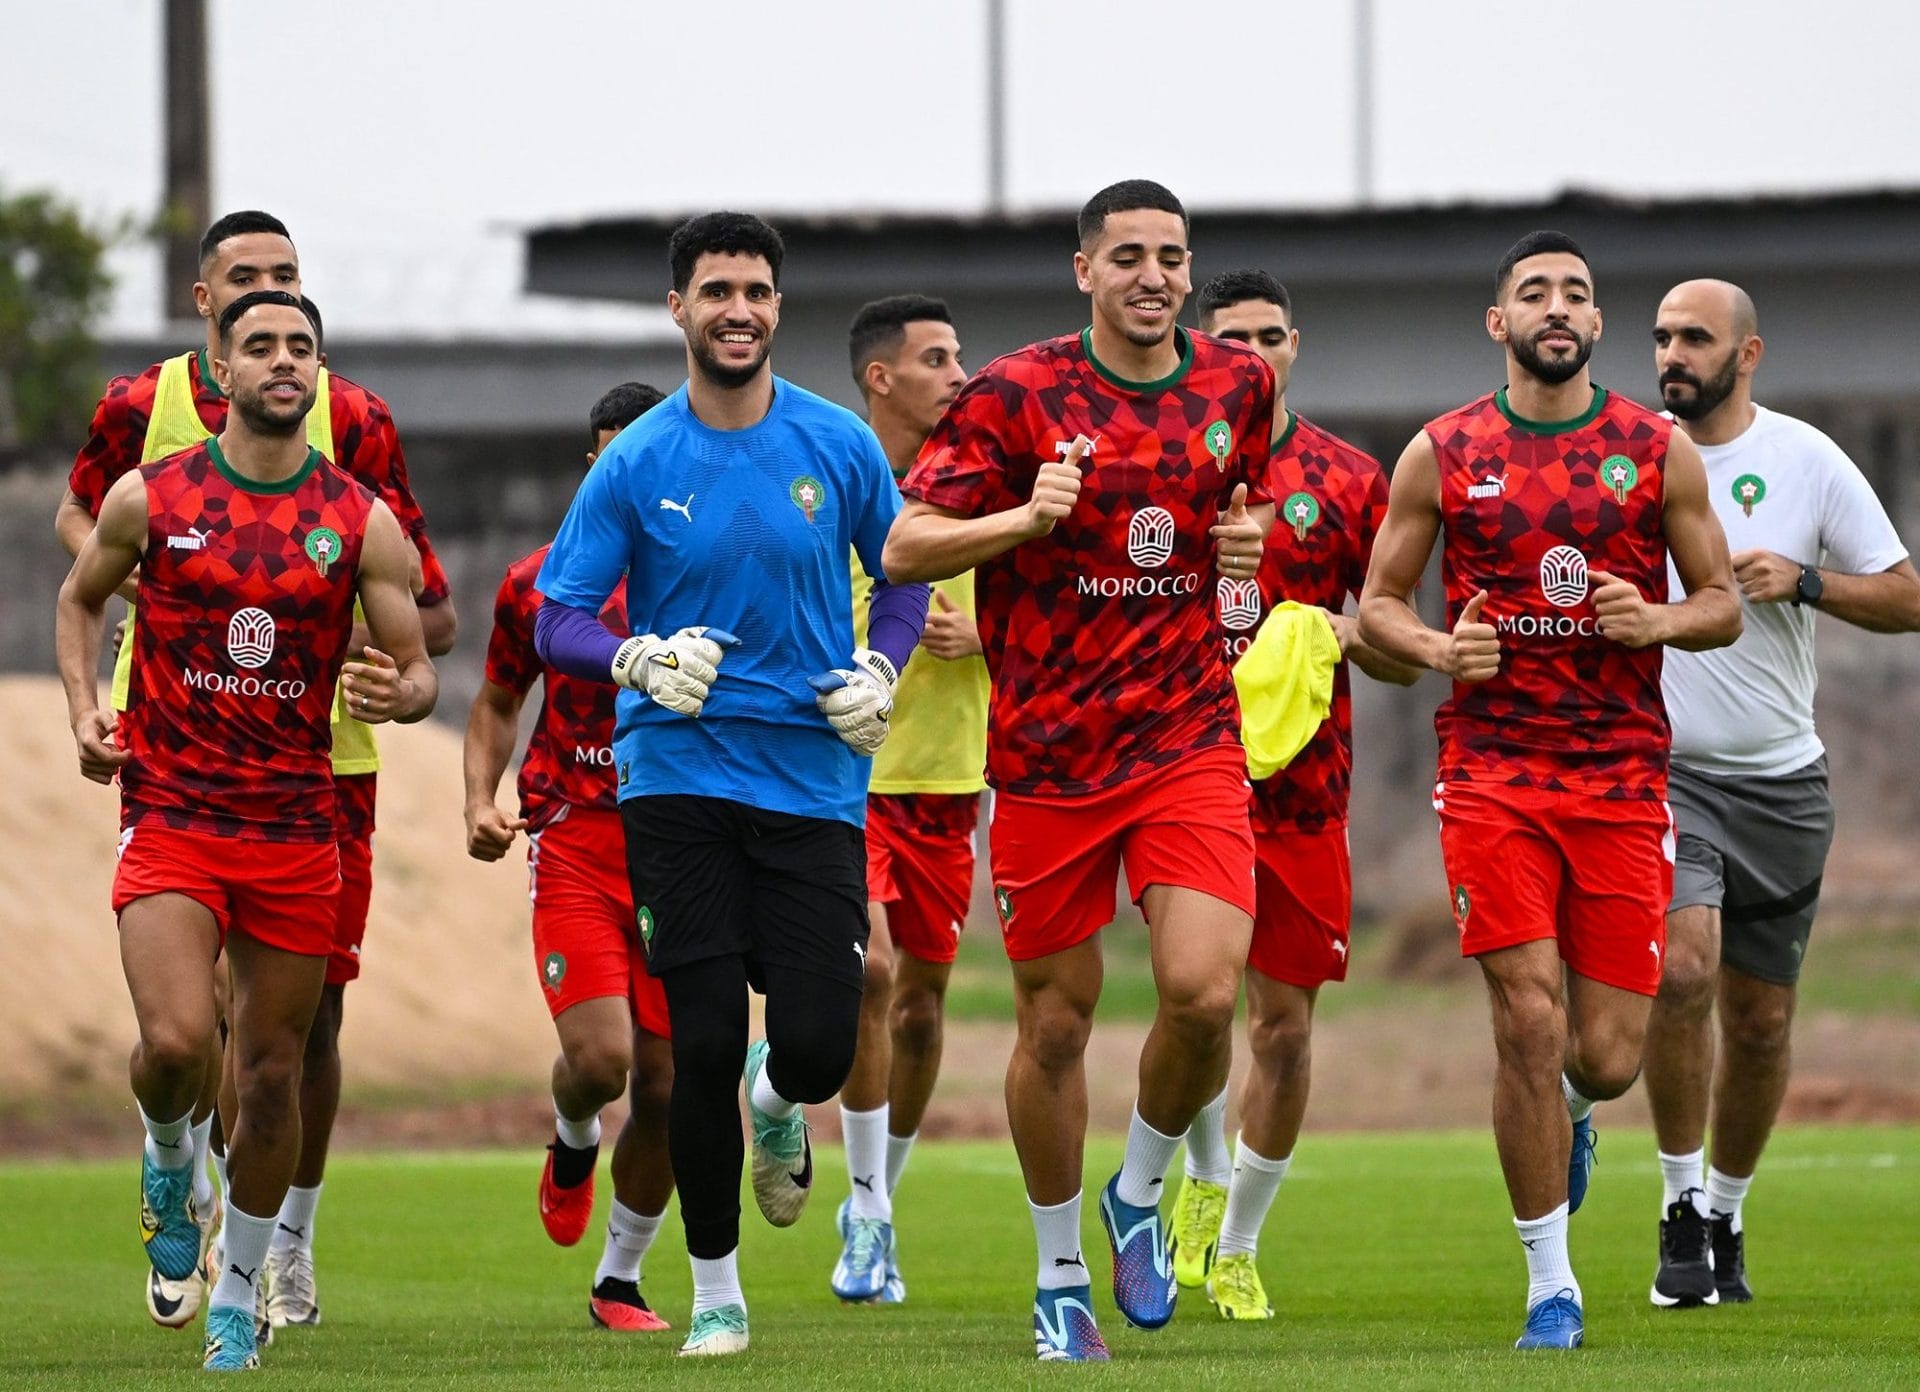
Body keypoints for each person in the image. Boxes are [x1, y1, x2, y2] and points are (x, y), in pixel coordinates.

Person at [884, 180, 1275, 1362]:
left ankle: (1140, 1196)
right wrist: (1019, 522)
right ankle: (1060, 1277)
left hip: (1187, 738)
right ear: (1083, 271)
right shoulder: (1016, 394)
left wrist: (1245, 571)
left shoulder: (1238, 385)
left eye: (1170, 256)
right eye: (1127, 257)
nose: (1152, 276)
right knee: (1056, 1025)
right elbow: (903, 544)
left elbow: (1237, 560)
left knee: (1207, 995)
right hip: (1049, 759)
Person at [531, 212, 929, 1357]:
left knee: (811, 1043)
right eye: (716, 290)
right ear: (679, 310)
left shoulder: (841, 444)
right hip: (678, 778)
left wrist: (880, 666)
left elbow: (896, 574)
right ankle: (716, 1292)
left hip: (813, 782)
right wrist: (633, 658)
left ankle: (775, 1102)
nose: (737, 309)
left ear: (777, 307)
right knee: (694, 1042)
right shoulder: (638, 460)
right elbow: (561, 611)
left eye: (755, 289)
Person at [55, 210, 456, 1332]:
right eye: (255, 315)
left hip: (310, 794)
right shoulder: (145, 442)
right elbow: (79, 557)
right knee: (183, 1039)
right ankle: (170, 1151)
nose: (282, 353)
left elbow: (428, 629)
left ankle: (270, 1263)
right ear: (212, 338)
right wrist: (99, 700)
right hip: (176, 783)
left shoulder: (358, 469)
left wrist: (401, 685)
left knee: (291, 1049)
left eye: (298, 324)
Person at [1357, 231, 1741, 1350]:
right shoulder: (1443, 449)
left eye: (1576, 292)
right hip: (1492, 775)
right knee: (1527, 1018)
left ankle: (1577, 1115)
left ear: (1598, 324)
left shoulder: (1655, 448)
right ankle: (1550, 1287)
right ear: (1500, 322)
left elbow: (1720, 599)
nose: (1557, 307)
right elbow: (1378, 602)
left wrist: (1657, 619)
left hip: (1622, 778)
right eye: (1535, 292)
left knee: (1606, 1055)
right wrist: (1436, 650)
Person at [1641, 280, 1920, 1308]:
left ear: (1747, 353)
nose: (1674, 352)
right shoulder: (1632, 458)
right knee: (1682, 970)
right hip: (1666, 775)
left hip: (1784, 785)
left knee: (1759, 1021)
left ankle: (1725, 1210)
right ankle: (1675, 1201)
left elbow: (1906, 596)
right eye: (1664, 336)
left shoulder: (1805, 459)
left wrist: (1803, 581)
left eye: (1696, 338)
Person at [1169, 270, 1421, 1320]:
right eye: (1236, 338)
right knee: (1201, 1005)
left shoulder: (1350, 477)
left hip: (1308, 788)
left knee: (1283, 1030)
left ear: (1295, 343)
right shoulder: (1166, 461)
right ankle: (1197, 1171)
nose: (1258, 354)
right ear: (1203, 347)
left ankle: (1238, 1242)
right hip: (1185, 778)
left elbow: (1393, 632)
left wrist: (1323, 629)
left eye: (1272, 336)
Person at [464, 381, 678, 1332]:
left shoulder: (714, 572)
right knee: (601, 1060)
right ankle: (573, 1130)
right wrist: (481, 796)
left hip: (684, 847)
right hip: (578, 840)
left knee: (675, 1083)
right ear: (595, 463)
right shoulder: (540, 581)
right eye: (609, 451)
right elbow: (499, 701)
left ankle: (619, 1279)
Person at [829, 296, 988, 1305]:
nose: (960, 374)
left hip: (948, 780)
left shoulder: (987, 489)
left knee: (922, 1011)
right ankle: (871, 1214)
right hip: (846, 777)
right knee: (870, 973)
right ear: (880, 377)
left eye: (960, 354)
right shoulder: (833, 484)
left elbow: (1051, 627)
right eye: (938, 358)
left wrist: (991, 640)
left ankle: (872, 1202)